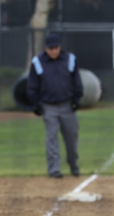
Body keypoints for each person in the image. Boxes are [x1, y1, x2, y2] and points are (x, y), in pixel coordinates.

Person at [27, 33, 83, 178]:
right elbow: (32, 85)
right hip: (49, 106)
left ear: (60, 47)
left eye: (56, 48)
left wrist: (77, 99)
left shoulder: (70, 59)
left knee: (71, 137)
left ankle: (73, 165)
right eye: (50, 48)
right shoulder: (37, 62)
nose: (53, 51)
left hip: (67, 105)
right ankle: (54, 169)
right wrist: (35, 103)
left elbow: (77, 81)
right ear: (45, 48)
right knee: (51, 139)